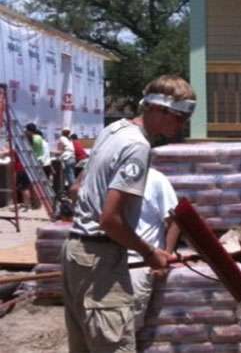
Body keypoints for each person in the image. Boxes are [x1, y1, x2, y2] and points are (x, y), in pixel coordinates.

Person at [62, 75, 194, 353]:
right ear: (157, 108)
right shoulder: (138, 146)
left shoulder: (113, 130)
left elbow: (77, 188)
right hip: (100, 257)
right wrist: (150, 252)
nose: (182, 125)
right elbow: (110, 220)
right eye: (179, 117)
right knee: (114, 343)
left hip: (76, 250)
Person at [129, 168, 181, 331]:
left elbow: (174, 220)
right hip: (108, 260)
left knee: (129, 326)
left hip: (139, 263)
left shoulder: (155, 179)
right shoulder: (107, 176)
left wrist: (166, 256)